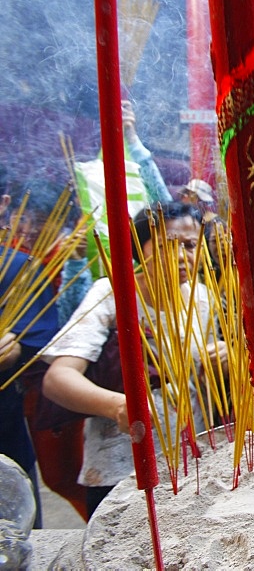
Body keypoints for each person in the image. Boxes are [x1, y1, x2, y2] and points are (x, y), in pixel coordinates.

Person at [41, 202, 221, 517]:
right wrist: (117, 405)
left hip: (191, 459)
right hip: (122, 465)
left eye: (190, 245)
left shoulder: (201, 296)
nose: (181, 256)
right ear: (141, 248)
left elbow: (202, 370)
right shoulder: (112, 293)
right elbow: (58, 379)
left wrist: (220, 357)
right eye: (168, 245)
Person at [0, 182, 63, 528]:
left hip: (4, 418)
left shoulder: (19, 268)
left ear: (3, 204)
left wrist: (18, 347)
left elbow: (44, 335)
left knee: (14, 524)